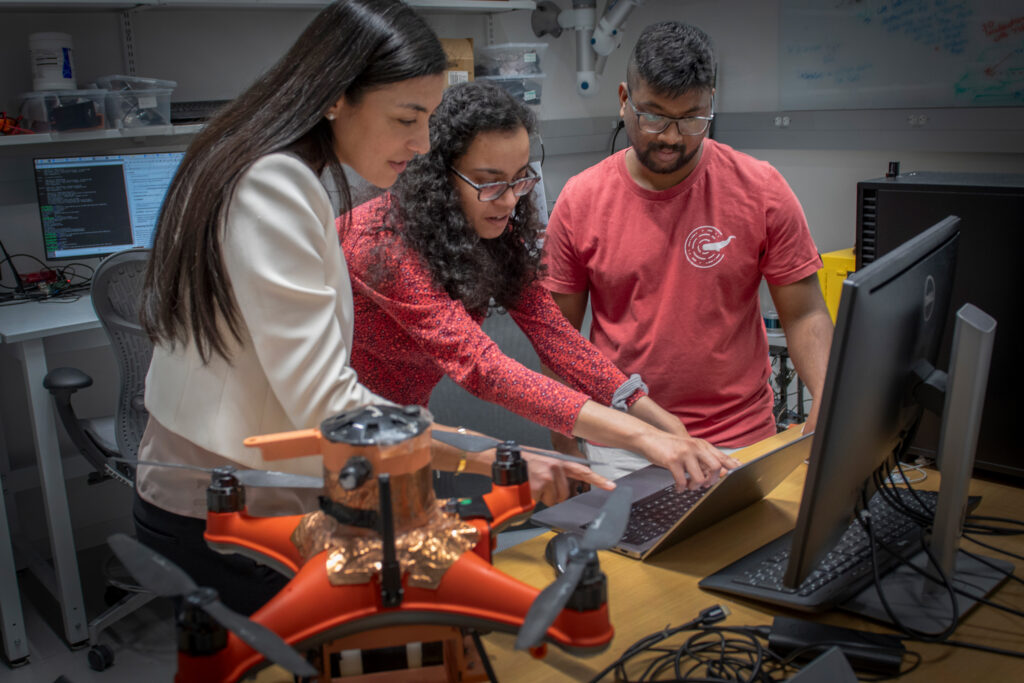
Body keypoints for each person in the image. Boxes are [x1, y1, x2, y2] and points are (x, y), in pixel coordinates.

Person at [133, 1, 588, 615]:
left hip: (227, 487)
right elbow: (331, 407)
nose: (422, 142)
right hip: (225, 509)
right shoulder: (276, 187)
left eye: (428, 118)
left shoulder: (253, 163)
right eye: (407, 117)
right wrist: (489, 458)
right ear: (336, 97)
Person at [340, 81, 738, 504]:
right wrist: (640, 437)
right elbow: (483, 368)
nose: (510, 200)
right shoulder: (381, 245)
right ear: (439, 178)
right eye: (490, 183)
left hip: (399, 429)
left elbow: (555, 335)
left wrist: (657, 417)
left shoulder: (490, 227)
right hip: (326, 433)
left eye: (520, 179)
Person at [541, 21, 834, 480]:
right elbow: (558, 338)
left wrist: (826, 397)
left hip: (740, 438)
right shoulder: (581, 200)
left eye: (692, 118)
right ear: (623, 100)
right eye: (654, 116)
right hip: (625, 442)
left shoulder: (760, 188)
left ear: (712, 103)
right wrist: (564, 441)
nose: (672, 137)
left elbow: (803, 313)